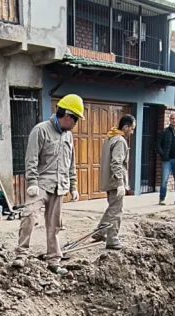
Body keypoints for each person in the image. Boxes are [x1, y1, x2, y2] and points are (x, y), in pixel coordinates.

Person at [13, 94, 83, 275]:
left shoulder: (68, 136)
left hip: (59, 186)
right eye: (75, 119)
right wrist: (32, 182)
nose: (76, 124)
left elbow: (71, 162)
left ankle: (54, 260)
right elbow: (31, 159)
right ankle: (21, 255)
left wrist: (73, 186)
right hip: (41, 184)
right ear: (67, 115)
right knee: (29, 216)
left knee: (55, 225)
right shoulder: (41, 130)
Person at [94, 115, 135, 250]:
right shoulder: (120, 141)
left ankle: (100, 232)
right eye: (132, 129)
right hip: (115, 181)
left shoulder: (110, 138)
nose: (132, 132)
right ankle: (112, 240)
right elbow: (116, 163)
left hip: (108, 180)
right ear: (125, 127)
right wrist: (120, 183)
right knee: (116, 211)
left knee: (112, 208)